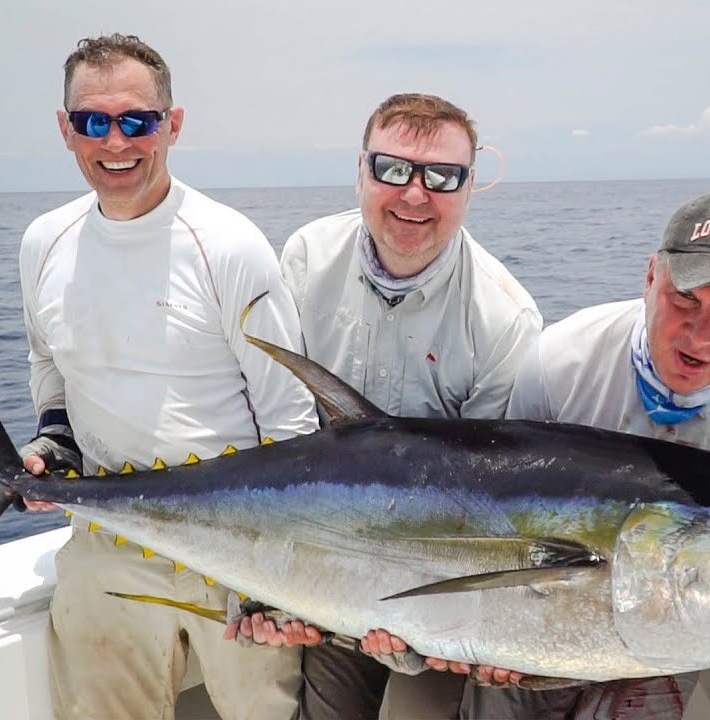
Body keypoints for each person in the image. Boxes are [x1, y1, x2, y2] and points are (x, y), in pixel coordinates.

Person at [458, 190, 710, 718]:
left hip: (682, 639)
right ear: (651, 275)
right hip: (542, 621)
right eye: (686, 299)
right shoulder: (561, 362)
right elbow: (498, 519)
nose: (703, 336)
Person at [17, 33, 317, 720]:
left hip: (239, 546)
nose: (115, 141)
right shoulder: (43, 243)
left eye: (137, 121)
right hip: (109, 541)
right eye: (93, 121)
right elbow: (47, 363)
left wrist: (273, 581)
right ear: (66, 130)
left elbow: (292, 422)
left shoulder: (230, 247)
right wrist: (54, 440)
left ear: (172, 125)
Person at [229, 93, 543, 720]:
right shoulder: (306, 257)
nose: (414, 194)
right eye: (392, 168)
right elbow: (276, 426)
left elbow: (488, 508)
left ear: (472, 185)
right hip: (317, 552)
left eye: (442, 177)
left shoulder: (506, 320)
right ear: (360, 171)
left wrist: (413, 627)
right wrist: (267, 586)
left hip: (440, 579)